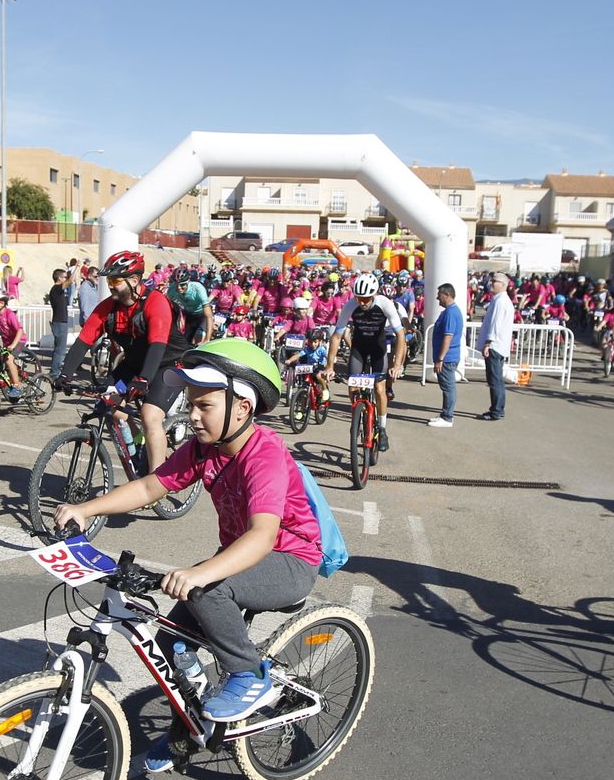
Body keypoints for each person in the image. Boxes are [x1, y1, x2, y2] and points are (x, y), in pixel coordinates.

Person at [51, 339, 321, 746]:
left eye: (204, 406)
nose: (191, 416)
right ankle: (190, 733)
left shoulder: (263, 453)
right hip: (242, 555)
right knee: (170, 642)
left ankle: (249, 675)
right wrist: (86, 509)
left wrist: (200, 573)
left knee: (206, 590)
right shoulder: (202, 449)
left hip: (290, 559)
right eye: (190, 404)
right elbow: (148, 487)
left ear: (242, 408)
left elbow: (264, 536)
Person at [58, 250, 193, 473]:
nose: (110, 285)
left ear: (133, 280)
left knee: (150, 416)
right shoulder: (108, 307)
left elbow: (157, 345)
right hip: (134, 364)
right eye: (108, 280)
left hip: (168, 365)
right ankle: (139, 442)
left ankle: (156, 481)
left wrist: (144, 380)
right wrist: (65, 374)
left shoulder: (155, 301)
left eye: (115, 280)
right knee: (107, 405)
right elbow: (84, 341)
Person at [326, 273, 405, 453]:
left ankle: (382, 428)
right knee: (353, 387)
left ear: (374, 295)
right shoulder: (350, 305)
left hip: (378, 348)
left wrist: (397, 365)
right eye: (359, 298)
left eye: (366, 298)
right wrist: (329, 366)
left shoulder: (385, 303)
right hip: (359, 348)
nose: (361, 302)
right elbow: (337, 336)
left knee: (379, 389)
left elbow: (401, 336)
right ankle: (357, 419)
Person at [475, 274, 514, 421]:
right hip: (498, 345)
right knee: (497, 379)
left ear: (503, 285)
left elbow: (495, 324)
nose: (491, 283)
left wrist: (488, 342)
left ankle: (496, 410)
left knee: (495, 380)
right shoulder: (500, 300)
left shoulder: (500, 301)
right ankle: (497, 409)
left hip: (495, 345)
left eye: (494, 281)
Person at [428, 283, 463, 428]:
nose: (437, 298)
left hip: (447, 358)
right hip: (447, 357)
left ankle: (448, 417)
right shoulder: (449, 311)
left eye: (439, 295)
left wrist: (440, 358)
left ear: (447, 295)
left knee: (448, 387)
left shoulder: (450, 313)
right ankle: (445, 414)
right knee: (446, 387)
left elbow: (447, 337)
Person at [47, 266, 73, 372]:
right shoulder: (56, 289)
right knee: (60, 350)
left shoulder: (58, 290)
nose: (66, 279)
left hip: (60, 322)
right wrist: (78, 267)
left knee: (59, 349)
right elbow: (71, 281)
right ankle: (55, 373)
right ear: (59, 279)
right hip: (59, 323)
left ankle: (55, 370)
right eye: (64, 277)